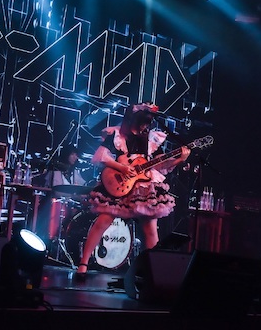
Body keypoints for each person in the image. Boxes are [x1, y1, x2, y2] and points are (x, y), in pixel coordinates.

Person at [75, 103, 190, 278]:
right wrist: (121, 167)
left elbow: (160, 165)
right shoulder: (116, 134)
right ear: (132, 120)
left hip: (143, 186)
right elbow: (100, 157)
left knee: (150, 228)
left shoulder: (151, 139)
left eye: (146, 124)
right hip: (120, 181)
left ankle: (153, 273)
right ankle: (83, 264)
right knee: (103, 221)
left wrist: (180, 160)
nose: (143, 127)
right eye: (141, 123)